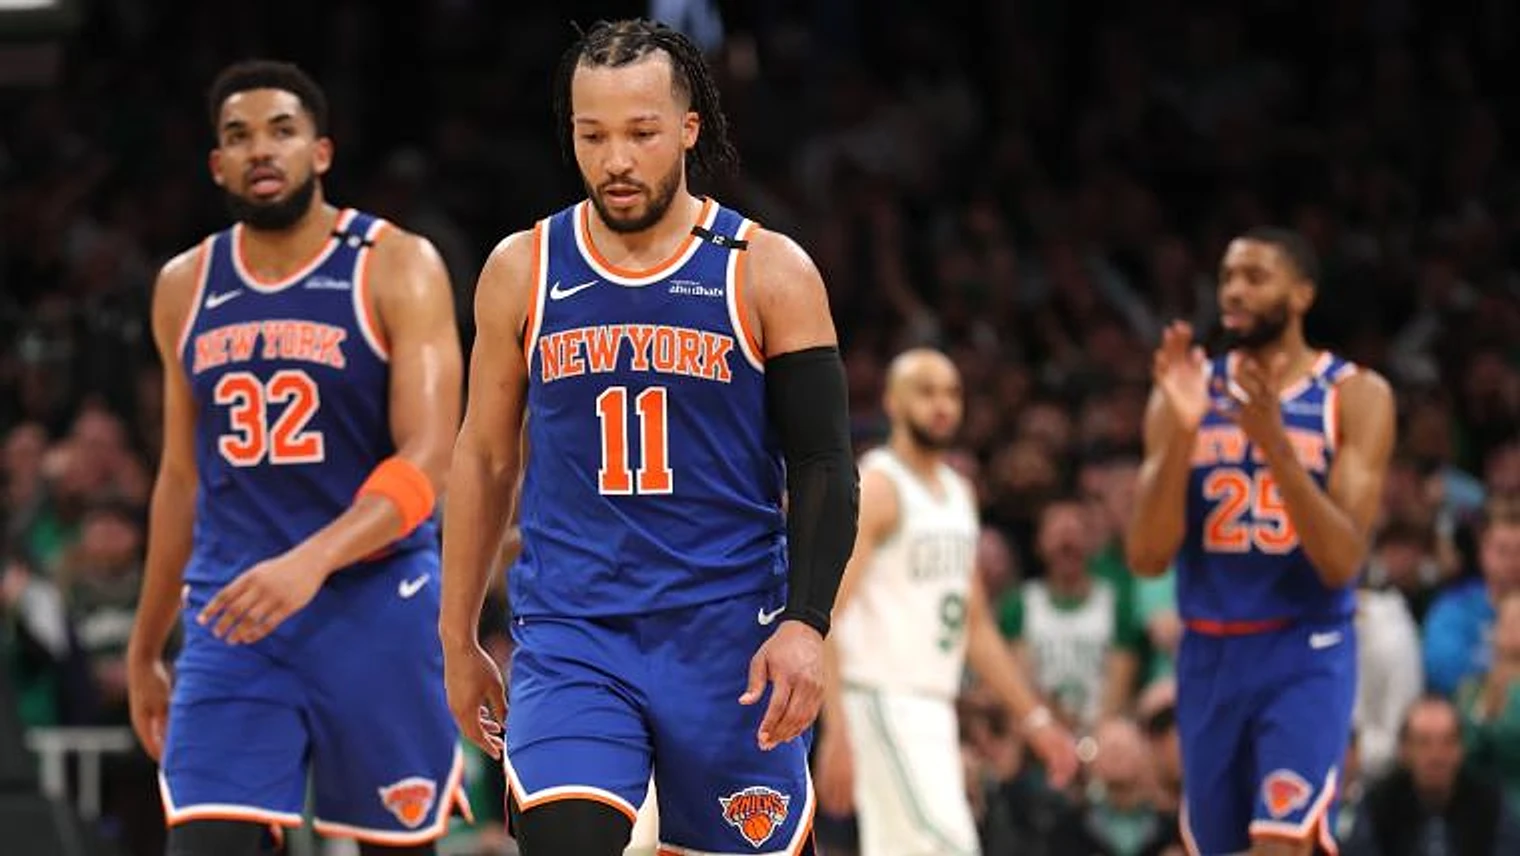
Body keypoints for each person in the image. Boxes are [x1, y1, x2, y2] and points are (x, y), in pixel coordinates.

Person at [438, 18, 857, 856]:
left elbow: (823, 463)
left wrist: (807, 624)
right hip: (574, 636)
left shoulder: (768, 269)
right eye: (592, 136)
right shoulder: (523, 268)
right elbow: (484, 457)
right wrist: (456, 638)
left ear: (689, 129)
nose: (616, 160)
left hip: (729, 640)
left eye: (641, 133)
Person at [124, 60, 467, 856]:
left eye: (281, 131)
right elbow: (180, 479)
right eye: (239, 137)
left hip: (373, 602)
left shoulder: (395, 262)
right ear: (218, 165)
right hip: (235, 610)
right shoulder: (185, 284)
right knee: (206, 842)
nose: (260, 150)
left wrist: (310, 562)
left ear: (320, 152)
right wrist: (145, 649)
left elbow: (428, 458)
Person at [1126, 227, 1396, 856]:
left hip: (1304, 647)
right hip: (1209, 654)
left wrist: (1275, 445)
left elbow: (1341, 561)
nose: (1234, 291)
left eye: (1255, 276)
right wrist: (1183, 433)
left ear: (1302, 294)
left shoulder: (1354, 395)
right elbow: (1147, 556)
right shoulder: (1186, 390)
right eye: (1227, 277)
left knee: (1281, 844)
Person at [815, 348, 1077, 856]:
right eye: (926, 392)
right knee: (947, 847)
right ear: (892, 401)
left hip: (934, 705)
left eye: (952, 393)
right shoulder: (879, 487)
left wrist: (1035, 721)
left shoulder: (959, 493)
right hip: (880, 696)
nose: (942, 405)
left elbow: (975, 626)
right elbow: (825, 611)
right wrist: (836, 729)